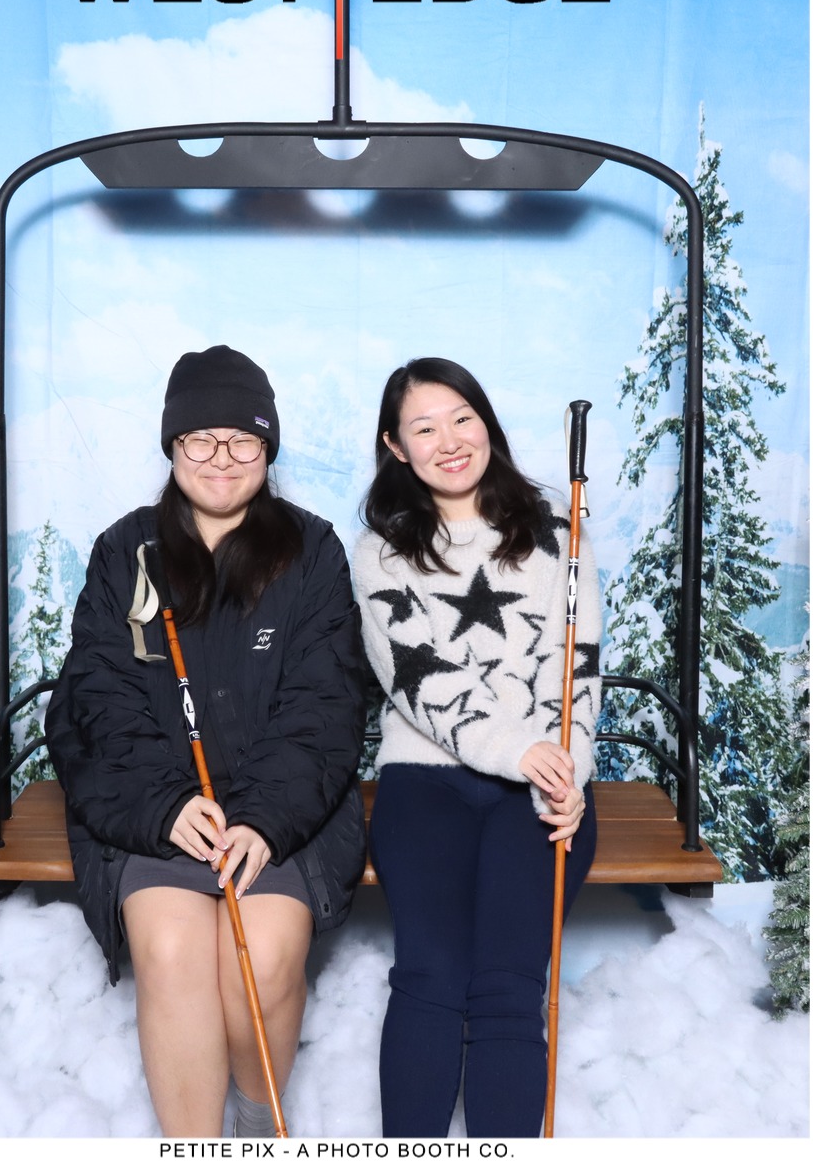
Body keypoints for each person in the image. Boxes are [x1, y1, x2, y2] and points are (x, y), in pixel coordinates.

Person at [44, 344, 367, 1138]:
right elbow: (97, 701)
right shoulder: (126, 552)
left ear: (269, 448)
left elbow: (325, 706)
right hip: (156, 806)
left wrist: (262, 818)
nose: (222, 458)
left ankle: (256, 1130)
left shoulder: (312, 552)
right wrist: (166, 805)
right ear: (172, 444)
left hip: (285, 812)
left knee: (261, 954)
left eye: (243, 440)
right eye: (200, 439)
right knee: (171, 951)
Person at [351, 357, 600, 1138]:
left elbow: (576, 668)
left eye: (463, 418)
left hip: (541, 786)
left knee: (507, 984)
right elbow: (419, 681)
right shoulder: (380, 553)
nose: (450, 441)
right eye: (424, 428)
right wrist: (519, 750)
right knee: (431, 975)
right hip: (425, 781)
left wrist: (567, 775)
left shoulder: (558, 528)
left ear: (487, 422)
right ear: (396, 447)